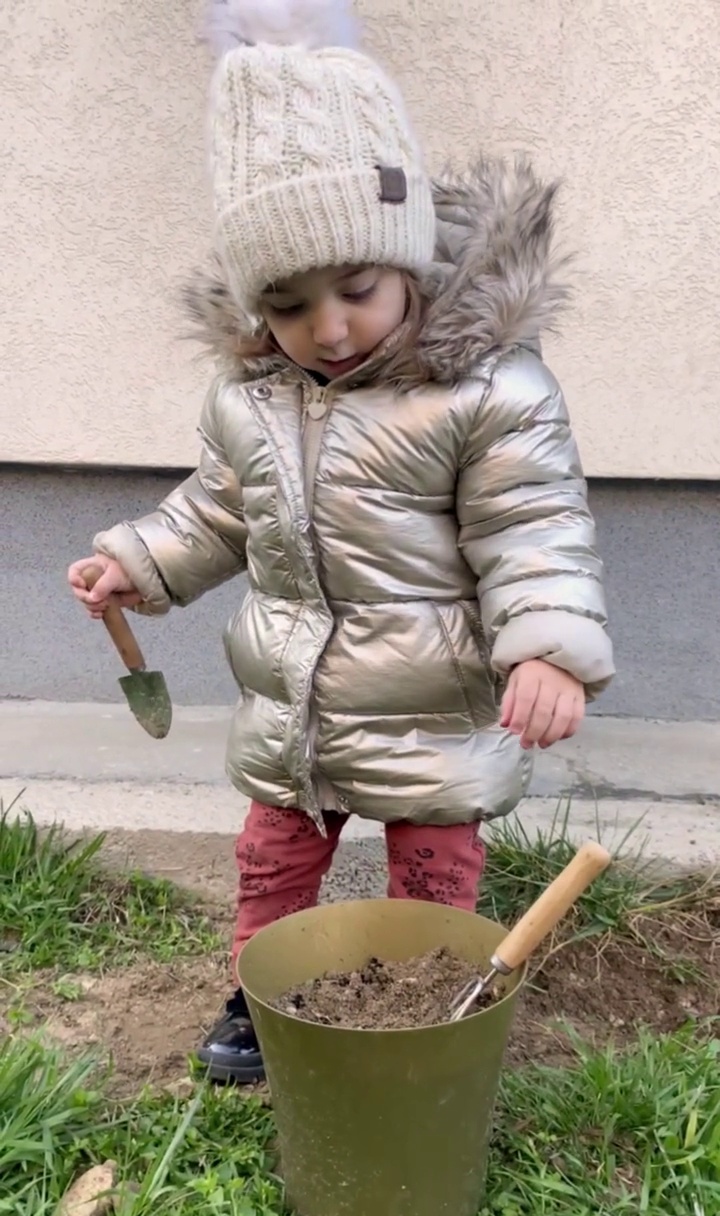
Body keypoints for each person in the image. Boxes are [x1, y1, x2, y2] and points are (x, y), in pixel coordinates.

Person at [68, 4, 614, 1084]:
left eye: (356, 289)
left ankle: (425, 1004)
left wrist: (547, 644)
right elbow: (223, 506)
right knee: (271, 856)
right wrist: (142, 555)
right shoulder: (257, 395)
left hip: (434, 699)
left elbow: (532, 527)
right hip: (300, 703)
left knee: (432, 867)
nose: (326, 329)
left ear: (403, 253)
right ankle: (260, 996)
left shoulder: (486, 392)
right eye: (287, 303)